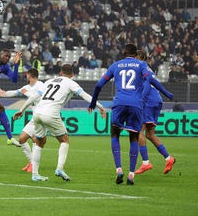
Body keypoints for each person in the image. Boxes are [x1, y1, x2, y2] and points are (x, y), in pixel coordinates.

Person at [88, 44, 173, 185]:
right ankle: (131, 174)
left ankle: (119, 169)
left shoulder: (116, 65)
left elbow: (98, 85)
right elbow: (151, 79)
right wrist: (167, 93)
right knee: (134, 137)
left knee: (115, 134)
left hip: (120, 102)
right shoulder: (141, 65)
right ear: (135, 53)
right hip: (136, 104)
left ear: (124, 52)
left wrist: (93, 102)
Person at [14, 64, 106, 181]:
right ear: (72, 75)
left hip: (37, 113)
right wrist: (99, 105)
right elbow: (84, 95)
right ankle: (59, 168)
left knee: (39, 142)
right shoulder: (71, 83)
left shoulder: (49, 81)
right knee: (64, 140)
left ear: (60, 73)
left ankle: (35, 175)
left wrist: (21, 110)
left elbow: (33, 96)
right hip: (51, 113)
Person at [134, 50, 176, 175]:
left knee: (138, 131)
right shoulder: (147, 69)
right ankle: (169, 159)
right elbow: (154, 82)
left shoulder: (141, 68)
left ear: (140, 58)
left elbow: (147, 85)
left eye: (135, 57)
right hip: (156, 100)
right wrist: (166, 93)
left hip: (149, 101)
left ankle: (145, 163)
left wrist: (143, 99)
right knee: (150, 134)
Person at [0, 68, 44, 172]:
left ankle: (34, 166)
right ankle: (31, 163)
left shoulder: (41, 85)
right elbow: (14, 92)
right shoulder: (26, 88)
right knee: (22, 139)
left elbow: (36, 97)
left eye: (26, 75)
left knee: (35, 140)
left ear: (29, 75)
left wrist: (21, 110)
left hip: (43, 116)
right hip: (35, 118)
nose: (25, 77)